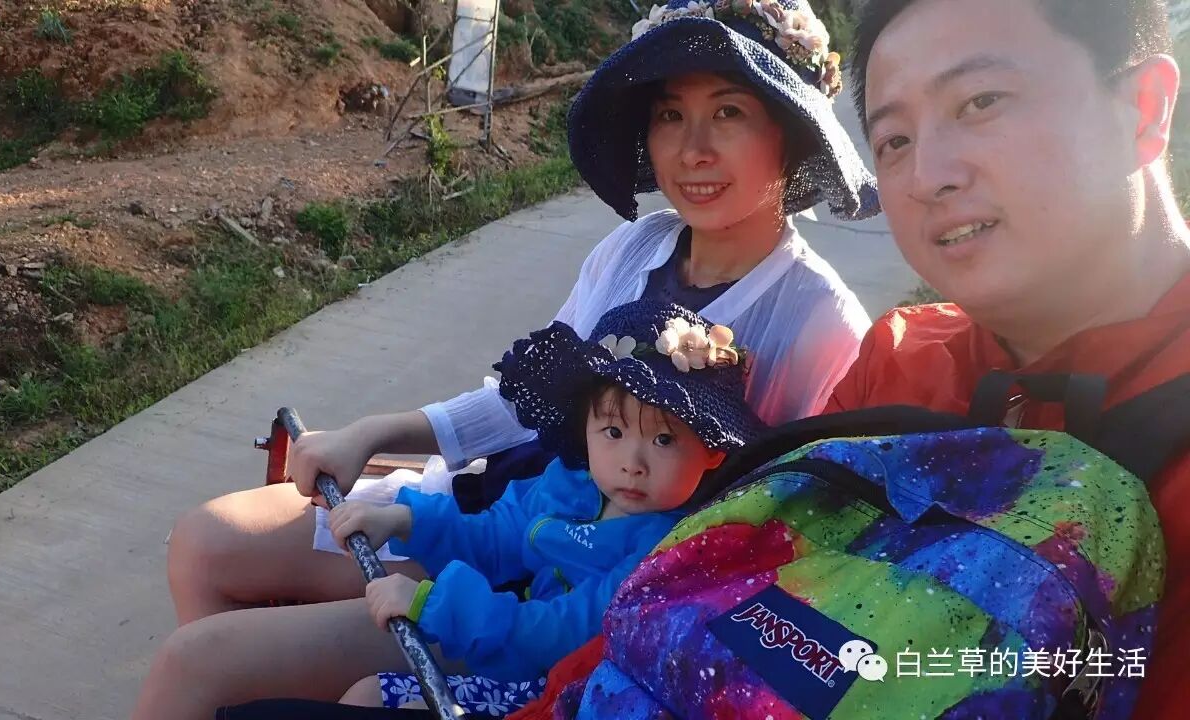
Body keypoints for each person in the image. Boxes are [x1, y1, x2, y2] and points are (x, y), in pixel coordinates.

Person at [136, 0, 878, 714]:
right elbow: (526, 402)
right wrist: (373, 434)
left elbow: (762, 540)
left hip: (559, 606)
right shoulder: (636, 246)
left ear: (791, 131)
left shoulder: (819, 322)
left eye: (729, 112)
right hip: (506, 513)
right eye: (669, 114)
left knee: (198, 664)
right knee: (204, 544)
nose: (693, 150)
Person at [497, 0, 1190, 717]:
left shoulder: (828, 329)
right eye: (894, 139)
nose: (927, 175)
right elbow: (702, 589)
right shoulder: (897, 364)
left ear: (1143, 109)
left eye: (981, 101)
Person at [331, 300, 762, 713]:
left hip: (571, 693)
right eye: (613, 432)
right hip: (513, 642)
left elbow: (567, 630)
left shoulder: (669, 549)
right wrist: (407, 520)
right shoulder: (571, 481)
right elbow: (499, 533)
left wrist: (439, 606)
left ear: (713, 451)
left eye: (663, 440)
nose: (632, 463)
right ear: (585, 426)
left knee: (370, 697)